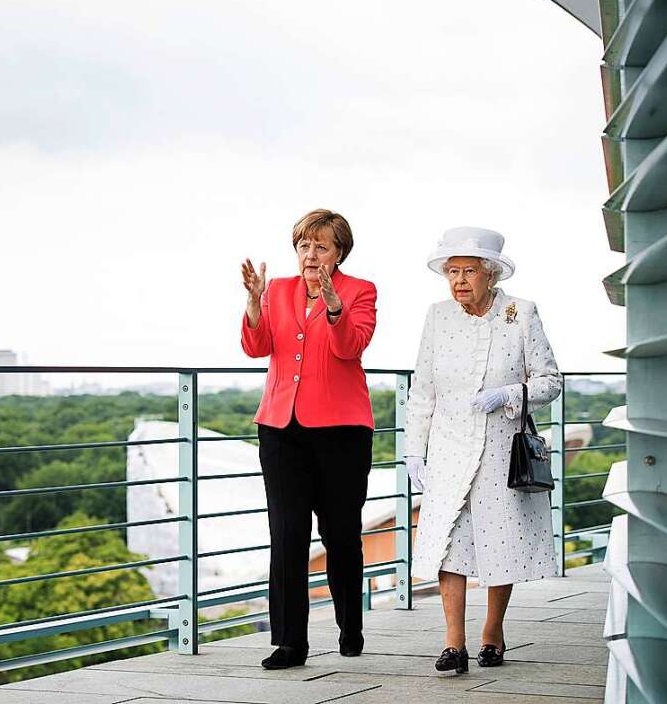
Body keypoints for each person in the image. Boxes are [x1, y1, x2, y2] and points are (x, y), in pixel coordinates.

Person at [403, 226, 561, 674]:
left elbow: (551, 381)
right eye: (451, 272)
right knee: (448, 543)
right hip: (449, 447)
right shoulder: (437, 317)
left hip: (499, 448)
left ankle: (492, 632)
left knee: (500, 541)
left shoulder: (520, 313)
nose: (458, 281)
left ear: (490, 273)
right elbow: (422, 391)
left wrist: (509, 394)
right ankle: (453, 643)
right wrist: (415, 451)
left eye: (468, 271)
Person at [240, 208, 378, 670]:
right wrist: (255, 305)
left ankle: (349, 626)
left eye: (321, 246)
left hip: (342, 430)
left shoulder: (361, 291)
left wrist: (334, 306)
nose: (311, 254)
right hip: (281, 428)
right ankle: (290, 642)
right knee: (288, 533)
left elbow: (350, 347)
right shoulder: (277, 289)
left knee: (340, 534)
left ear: (339, 252)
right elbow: (258, 347)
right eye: (304, 245)